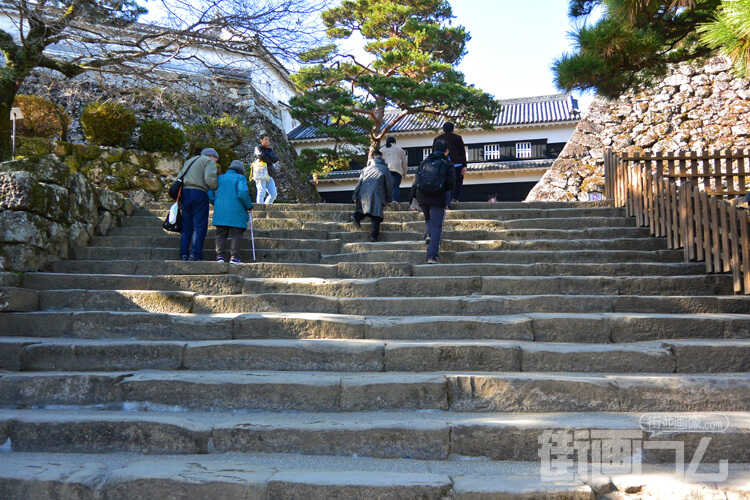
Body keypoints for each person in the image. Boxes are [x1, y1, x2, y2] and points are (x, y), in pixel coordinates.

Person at [409, 138, 455, 264]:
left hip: (422, 196)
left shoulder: (424, 162)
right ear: (446, 151)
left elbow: (416, 180)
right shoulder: (447, 163)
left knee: (429, 219)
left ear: (434, 149)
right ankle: (432, 256)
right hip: (437, 197)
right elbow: (451, 183)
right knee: (436, 226)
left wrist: (412, 198)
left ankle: (428, 234)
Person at [208, 160, 254, 264]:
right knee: (236, 234)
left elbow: (210, 191)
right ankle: (234, 257)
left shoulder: (220, 178)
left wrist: (216, 202)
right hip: (237, 211)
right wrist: (249, 205)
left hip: (221, 211)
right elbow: (242, 192)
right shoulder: (240, 178)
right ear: (240, 170)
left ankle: (220, 257)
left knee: (220, 234)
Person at [177, 147, 219, 261]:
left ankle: (184, 254)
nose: (215, 162)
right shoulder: (208, 161)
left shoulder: (190, 161)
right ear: (212, 156)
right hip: (199, 193)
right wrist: (216, 187)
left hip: (185, 193)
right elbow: (209, 179)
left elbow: (179, 176)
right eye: (216, 159)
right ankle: (195, 254)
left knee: (186, 227)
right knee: (199, 225)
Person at [351, 149, 393, 242]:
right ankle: (373, 236)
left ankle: (356, 216)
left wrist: (355, 196)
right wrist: (388, 198)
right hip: (377, 192)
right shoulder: (385, 169)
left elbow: (359, 183)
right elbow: (389, 185)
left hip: (364, 192)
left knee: (364, 210)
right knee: (376, 215)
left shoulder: (365, 169)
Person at [433, 122, 467, 207]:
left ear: (443, 129)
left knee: (445, 182)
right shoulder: (458, 138)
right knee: (458, 180)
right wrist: (464, 165)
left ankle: (446, 202)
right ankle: (455, 198)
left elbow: (434, 153)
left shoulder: (437, 139)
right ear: (453, 129)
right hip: (457, 163)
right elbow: (462, 152)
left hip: (442, 163)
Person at [253, 133, 280, 204]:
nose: (267, 141)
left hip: (268, 174)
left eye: (268, 139)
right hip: (260, 172)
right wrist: (270, 159)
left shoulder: (269, 150)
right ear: (261, 140)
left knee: (273, 193)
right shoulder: (258, 148)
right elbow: (261, 156)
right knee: (261, 192)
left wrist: (268, 157)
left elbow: (276, 158)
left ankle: (266, 207)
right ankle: (260, 209)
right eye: (265, 139)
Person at [381, 136, 407, 206]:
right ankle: (394, 200)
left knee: (385, 186)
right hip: (397, 169)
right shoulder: (399, 149)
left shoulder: (382, 150)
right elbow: (404, 162)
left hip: (386, 169)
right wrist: (404, 173)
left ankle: (383, 201)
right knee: (395, 186)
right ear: (394, 142)